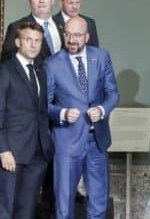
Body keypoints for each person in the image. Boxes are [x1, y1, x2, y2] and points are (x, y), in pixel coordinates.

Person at [45, 17, 120, 219]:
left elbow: (113, 93)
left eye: (77, 35)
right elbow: (43, 105)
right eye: (67, 34)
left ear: (87, 36)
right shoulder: (51, 64)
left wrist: (102, 110)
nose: (71, 39)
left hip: (97, 141)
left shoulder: (101, 57)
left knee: (98, 204)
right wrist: (62, 113)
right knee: (64, 206)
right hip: (66, 142)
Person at [1, 0, 63, 218]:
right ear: (30, 0)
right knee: (22, 195)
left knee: (55, 178)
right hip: (31, 118)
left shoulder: (63, 27)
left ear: (53, 0)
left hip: (62, 114)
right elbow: (11, 71)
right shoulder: (17, 27)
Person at [0, 22, 54, 219]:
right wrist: (2, 150)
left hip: (38, 154)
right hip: (12, 154)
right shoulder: (4, 71)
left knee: (27, 211)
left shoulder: (41, 73)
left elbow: (40, 113)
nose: (33, 45)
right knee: (5, 209)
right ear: (18, 42)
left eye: (37, 41)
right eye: (28, 40)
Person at [2, 0, 64, 67]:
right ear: (29, 1)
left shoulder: (64, 26)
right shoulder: (16, 27)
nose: (41, 0)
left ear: (53, 0)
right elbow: (8, 66)